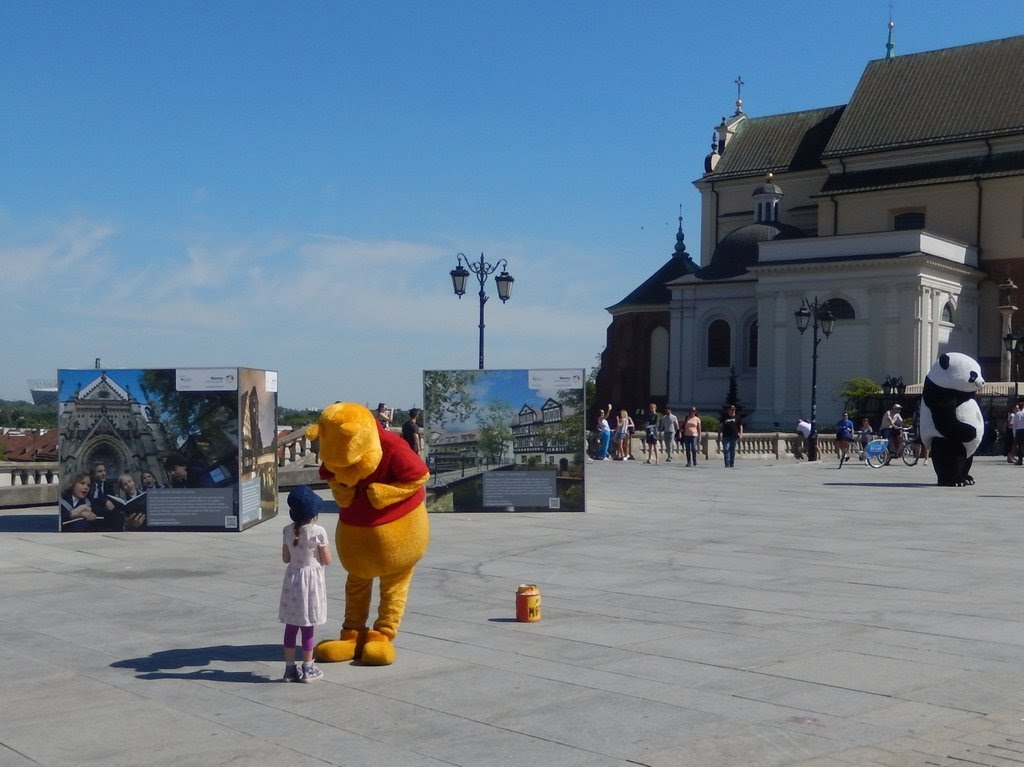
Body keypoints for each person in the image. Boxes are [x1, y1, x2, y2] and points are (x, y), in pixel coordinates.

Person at [279, 485, 331, 683]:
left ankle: (289, 669)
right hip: (311, 583)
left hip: (292, 581)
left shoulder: (287, 531)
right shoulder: (319, 532)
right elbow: (327, 560)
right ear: (313, 514)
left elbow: (286, 558)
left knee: (291, 625)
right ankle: (308, 668)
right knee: (308, 625)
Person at [1012, 402, 1024, 466]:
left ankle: (1020, 460)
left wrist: (1014, 434)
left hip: (1019, 430)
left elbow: (1014, 425)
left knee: (1020, 446)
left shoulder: (1017, 414)